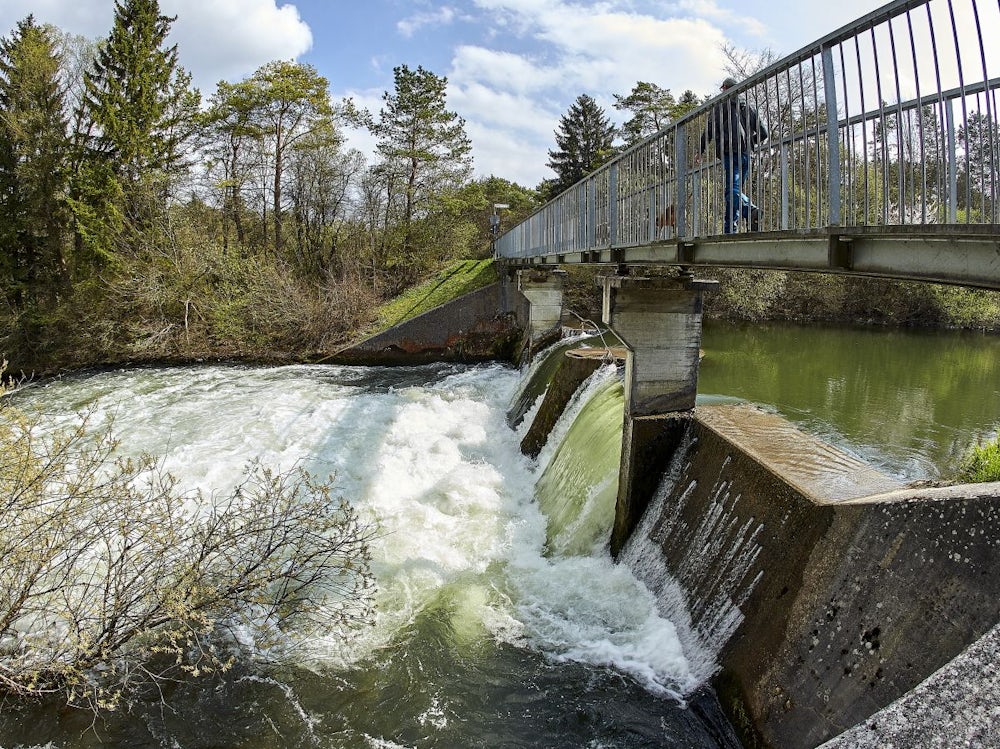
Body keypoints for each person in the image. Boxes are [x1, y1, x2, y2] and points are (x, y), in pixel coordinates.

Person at [699, 76, 768, 233]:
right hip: (747, 156)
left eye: (722, 88)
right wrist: (750, 143)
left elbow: (709, 131)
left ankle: (750, 211)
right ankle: (730, 230)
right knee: (734, 192)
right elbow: (763, 133)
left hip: (731, 153)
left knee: (732, 191)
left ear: (725, 89)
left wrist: (700, 151)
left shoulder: (719, 107)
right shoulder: (748, 107)